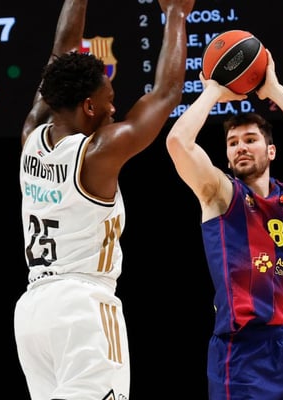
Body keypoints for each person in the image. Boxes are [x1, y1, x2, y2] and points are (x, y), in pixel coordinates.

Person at [14, 0, 194, 399]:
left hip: (32, 311)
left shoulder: (32, 133)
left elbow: (60, 53)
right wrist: (176, 13)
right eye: (109, 99)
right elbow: (166, 94)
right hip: (83, 305)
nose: (114, 107)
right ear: (88, 106)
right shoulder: (96, 152)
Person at [166, 50, 283, 400]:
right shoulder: (219, 194)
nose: (240, 147)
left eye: (250, 140)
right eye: (232, 143)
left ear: (271, 151)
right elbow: (178, 143)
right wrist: (213, 91)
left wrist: (274, 90)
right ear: (227, 157)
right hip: (241, 351)